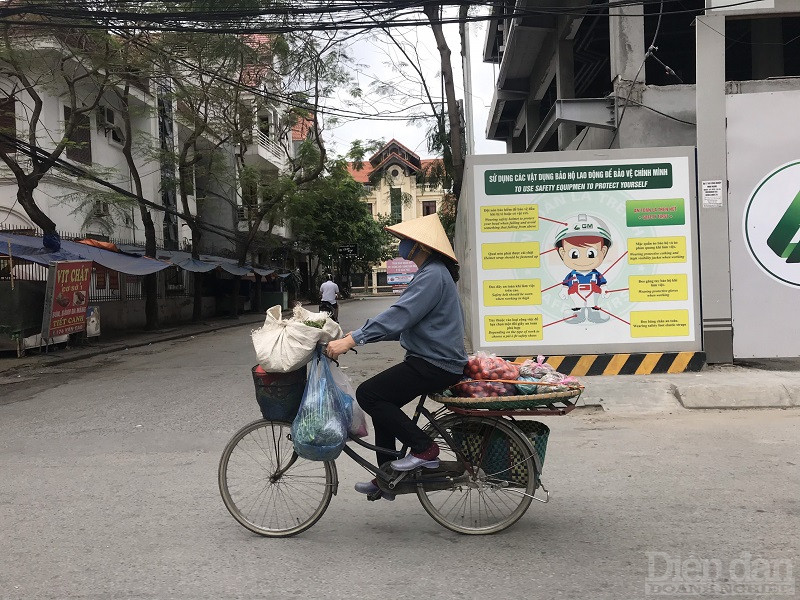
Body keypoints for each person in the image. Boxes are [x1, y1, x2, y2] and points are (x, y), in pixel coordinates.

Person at [325, 214, 467, 500]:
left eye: (406, 241)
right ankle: (387, 477)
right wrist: (356, 335)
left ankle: (425, 449)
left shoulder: (432, 274)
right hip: (431, 359)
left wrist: (353, 339)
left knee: (370, 395)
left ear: (420, 246)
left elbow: (399, 315)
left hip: (436, 363)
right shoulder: (433, 272)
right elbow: (405, 324)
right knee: (383, 405)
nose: (401, 246)